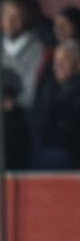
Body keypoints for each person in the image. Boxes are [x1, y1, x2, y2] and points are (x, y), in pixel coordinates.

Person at [0, 0, 45, 108]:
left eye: (16, 16)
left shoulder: (37, 50)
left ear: (26, 18)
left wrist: (7, 102)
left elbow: (29, 94)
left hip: (19, 113)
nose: (10, 21)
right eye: (6, 15)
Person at [33, 40, 80, 169]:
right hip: (47, 147)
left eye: (65, 61)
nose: (58, 65)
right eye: (56, 61)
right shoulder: (49, 88)